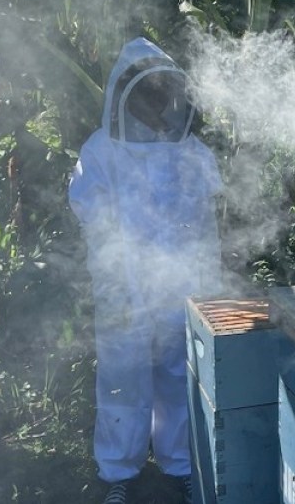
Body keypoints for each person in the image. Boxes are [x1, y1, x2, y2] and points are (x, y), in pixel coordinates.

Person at [69, 38, 221, 504]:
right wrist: (114, 280)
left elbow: (209, 223)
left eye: (161, 90)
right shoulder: (101, 151)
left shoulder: (191, 149)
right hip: (124, 286)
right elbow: (94, 219)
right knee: (122, 377)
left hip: (182, 284)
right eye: (145, 91)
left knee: (180, 375)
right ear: (124, 95)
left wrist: (209, 282)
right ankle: (119, 471)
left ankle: (180, 463)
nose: (155, 101)